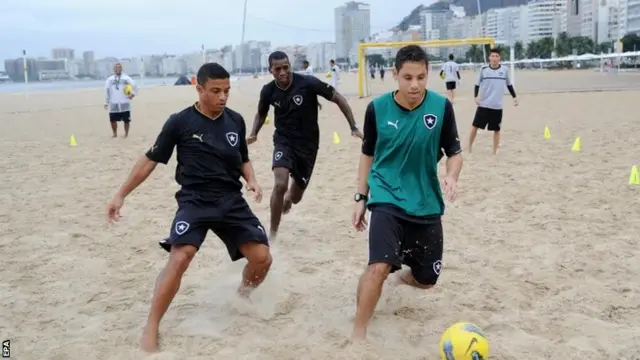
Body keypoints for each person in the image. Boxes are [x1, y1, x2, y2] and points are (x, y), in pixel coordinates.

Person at [105, 63, 271, 353]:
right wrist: (121, 194)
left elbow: (242, 156)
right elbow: (149, 160)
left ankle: (242, 295)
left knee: (262, 258)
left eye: (227, 91)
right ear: (200, 89)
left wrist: (252, 180)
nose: (223, 97)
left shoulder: (235, 120)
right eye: (216, 91)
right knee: (181, 256)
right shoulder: (180, 122)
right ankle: (152, 325)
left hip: (231, 200)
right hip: (194, 200)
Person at [351, 45, 463, 341]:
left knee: (428, 279)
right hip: (386, 197)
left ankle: (398, 277)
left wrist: (451, 176)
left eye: (421, 77)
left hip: (426, 201)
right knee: (378, 266)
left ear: (428, 75)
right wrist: (361, 197)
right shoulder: (377, 108)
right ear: (395, 75)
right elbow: (367, 154)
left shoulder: (441, 107)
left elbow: (454, 152)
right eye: (407, 77)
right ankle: (358, 334)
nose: (414, 84)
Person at [247, 51, 363, 242]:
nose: (283, 72)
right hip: (284, 141)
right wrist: (254, 133)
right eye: (278, 69)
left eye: (286, 67)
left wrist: (353, 126)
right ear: (271, 70)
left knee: (295, 196)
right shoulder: (268, 91)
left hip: (308, 146)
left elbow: (338, 98)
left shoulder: (308, 83)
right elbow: (261, 113)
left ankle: (287, 200)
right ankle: (272, 236)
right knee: (280, 183)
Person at [468, 48, 518, 155]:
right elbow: (477, 84)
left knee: (496, 130)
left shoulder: (504, 70)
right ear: (489, 58)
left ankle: (494, 151)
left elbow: (509, 85)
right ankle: (469, 147)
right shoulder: (484, 69)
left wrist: (514, 97)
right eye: (492, 56)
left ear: (499, 58)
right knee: (475, 126)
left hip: (497, 106)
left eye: (497, 56)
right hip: (484, 105)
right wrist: (475, 96)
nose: (494, 58)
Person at [104, 63, 137, 138]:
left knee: (126, 120)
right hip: (114, 102)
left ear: (122, 69)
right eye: (116, 67)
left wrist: (133, 94)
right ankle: (115, 133)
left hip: (124, 102)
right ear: (114, 69)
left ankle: (126, 134)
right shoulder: (110, 79)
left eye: (119, 67)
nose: (117, 69)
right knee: (112, 120)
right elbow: (107, 91)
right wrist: (106, 102)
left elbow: (134, 86)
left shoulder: (126, 78)